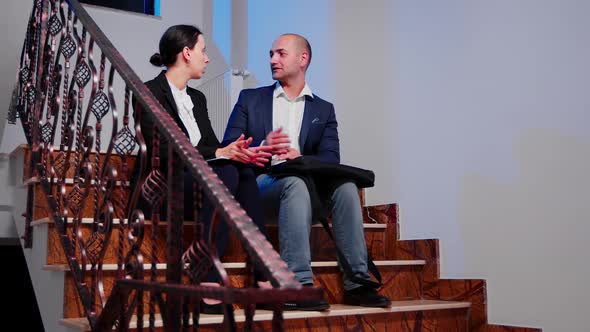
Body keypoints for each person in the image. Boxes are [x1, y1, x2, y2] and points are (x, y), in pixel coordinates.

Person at [222, 33, 391, 311]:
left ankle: (357, 283)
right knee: (293, 183)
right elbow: (228, 146)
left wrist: (300, 157)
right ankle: (296, 283)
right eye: (271, 54)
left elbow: (330, 159)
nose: (272, 59)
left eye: (280, 53)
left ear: (303, 59)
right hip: (263, 187)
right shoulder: (250, 99)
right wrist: (263, 147)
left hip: (306, 192)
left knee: (347, 187)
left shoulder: (324, 110)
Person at [132, 25, 271, 314]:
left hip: (203, 185)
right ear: (186, 53)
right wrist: (219, 154)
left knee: (241, 172)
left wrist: (238, 151)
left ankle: (261, 272)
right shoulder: (149, 92)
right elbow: (165, 151)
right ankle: (209, 279)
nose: (207, 58)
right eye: (203, 50)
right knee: (229, 173)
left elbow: (210, 145)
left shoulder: (198, 98)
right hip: (165, 184)